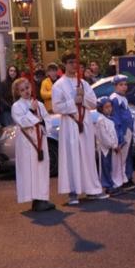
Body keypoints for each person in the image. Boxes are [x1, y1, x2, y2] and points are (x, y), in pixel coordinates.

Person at [52, 54, 105, 205]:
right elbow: (56, 107)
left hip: (85, 122)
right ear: (64, 64)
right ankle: (73, 191)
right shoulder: (59, 85)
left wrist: (83, 98)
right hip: (70, 123)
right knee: (71, 156)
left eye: (76, 62)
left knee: (87, 155)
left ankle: (92, 189)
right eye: (70, 62)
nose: (74, 65)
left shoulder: (83, 83)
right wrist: (73, 101)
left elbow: (93, 103)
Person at [10, 78, 55, 211]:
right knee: (31, 169)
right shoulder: (16, 106)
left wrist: (41, 122)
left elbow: (47, 119)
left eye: (27, 88)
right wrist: (31, 111)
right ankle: (36, 199)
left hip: (40, 139)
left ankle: (42, 198)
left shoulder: (39, 104)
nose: (26, 92)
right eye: (22, 90)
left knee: (41, 168)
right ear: (18, 92)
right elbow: (22, 122)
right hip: (27, 143)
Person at [108, 75, 135, 189]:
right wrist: (119, 134)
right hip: (122, 130)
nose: (124, 87)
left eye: (125, 84)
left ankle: (125, 178)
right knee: (120, 158)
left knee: (125, 157)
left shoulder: (123, 98)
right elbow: (116, 118)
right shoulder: (114, 98)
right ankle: (118, 181)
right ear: (115, 86)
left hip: (128, 129)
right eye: (121, 85)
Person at [95, 97, 121, 195]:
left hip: (112, 148)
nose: (109, 109)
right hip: (105, 149)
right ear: (101, 108)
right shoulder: (101, 120)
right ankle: (107, 186)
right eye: (106, 107)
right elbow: (104, 137)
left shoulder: (110, 119)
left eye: (110, 106)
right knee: (105, 167)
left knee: (111, 166)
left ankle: (112, 184)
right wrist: (113, 145)